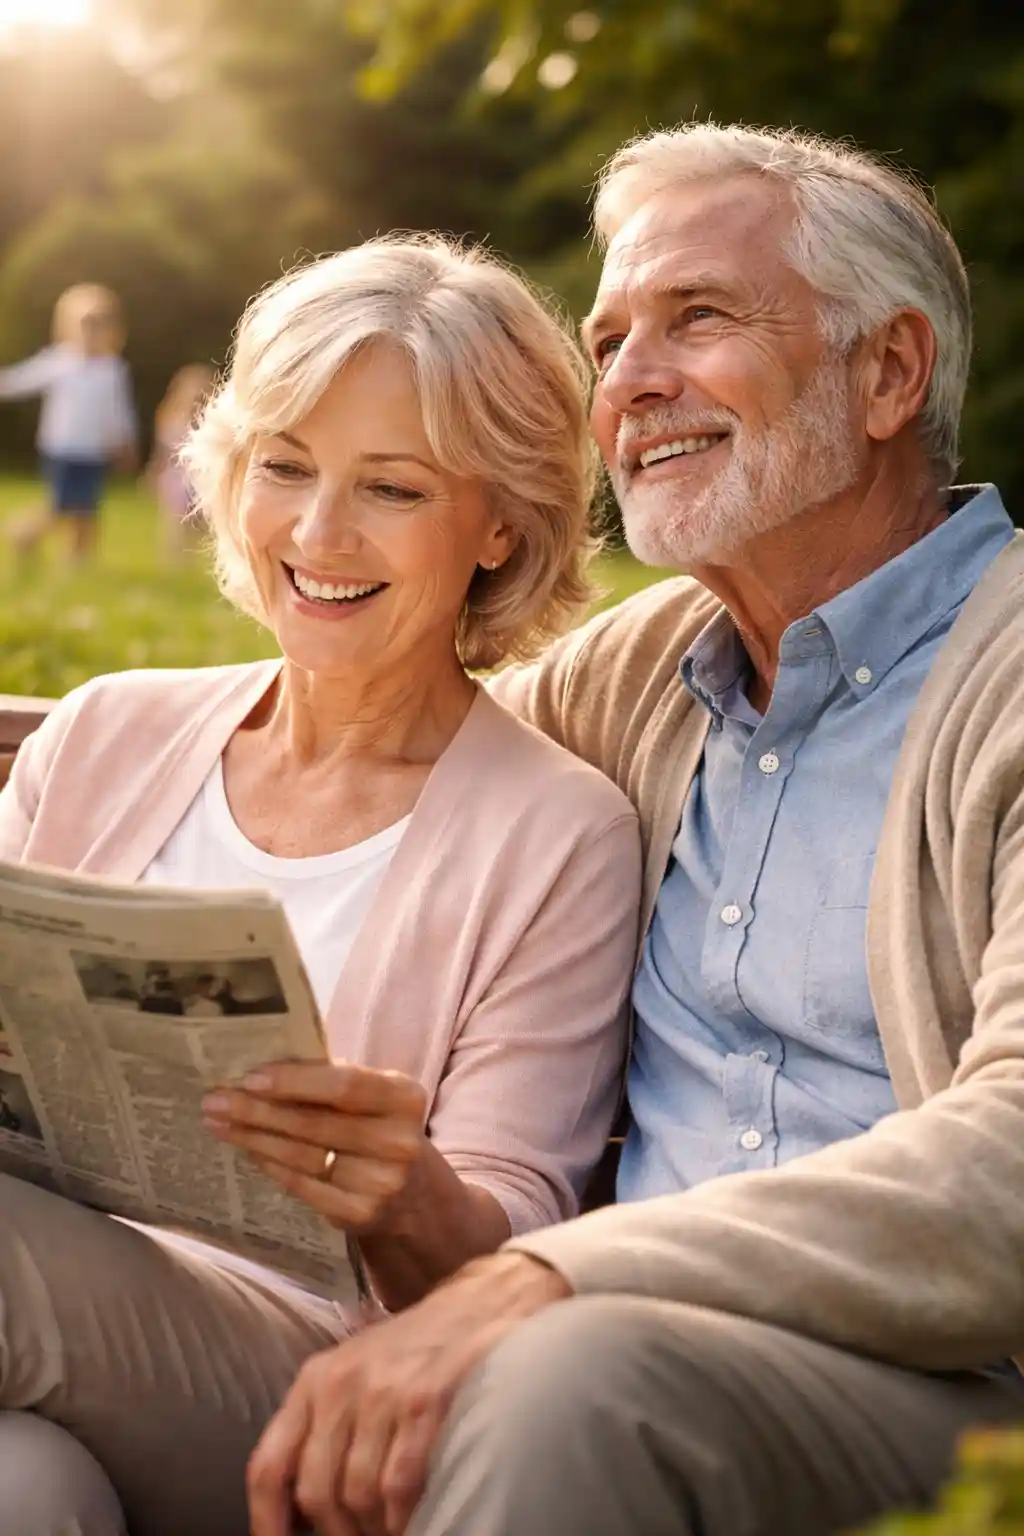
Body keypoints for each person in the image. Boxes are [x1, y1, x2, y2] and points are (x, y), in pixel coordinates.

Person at [243, 124, 1024, 1536]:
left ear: (890, 372)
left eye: (699, 319)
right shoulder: (644, 672)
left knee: (564, 1382)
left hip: (950, 1389)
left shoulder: (1007, 675)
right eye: (611, 342)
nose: (633, 386)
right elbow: (371, 732)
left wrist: (554, 1276)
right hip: (625, 1361)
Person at [0, 237, 641, 1536]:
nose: (318, 531)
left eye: (391, 489)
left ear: (503, 520)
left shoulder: (560, 833)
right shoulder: (106, 730)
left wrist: (407, 1191)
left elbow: (508, 1256)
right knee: (27, 1490)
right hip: (63, 1351)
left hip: (314, 1375)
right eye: (283, 467)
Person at [0, 283, 138, 563]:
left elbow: (119, 412)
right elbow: (20, 380)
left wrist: (125, 442)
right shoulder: (59, 361)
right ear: (69, 327)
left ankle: (78, 560)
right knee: (61, 505)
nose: (92, 332)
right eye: (86, 325)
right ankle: (24, 533)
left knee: (86, 508)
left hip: (94, 450)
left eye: (100, 325)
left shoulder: (113, 369)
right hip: (61, 448)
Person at [144, 362, 217, 561]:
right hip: (175, 480)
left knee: (200, 523)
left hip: (199, 481)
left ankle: (193, 557)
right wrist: (153, 473)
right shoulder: (171, 421)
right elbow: (162, 453)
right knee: (176, 521)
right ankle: (174, 558)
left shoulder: (211, 425)